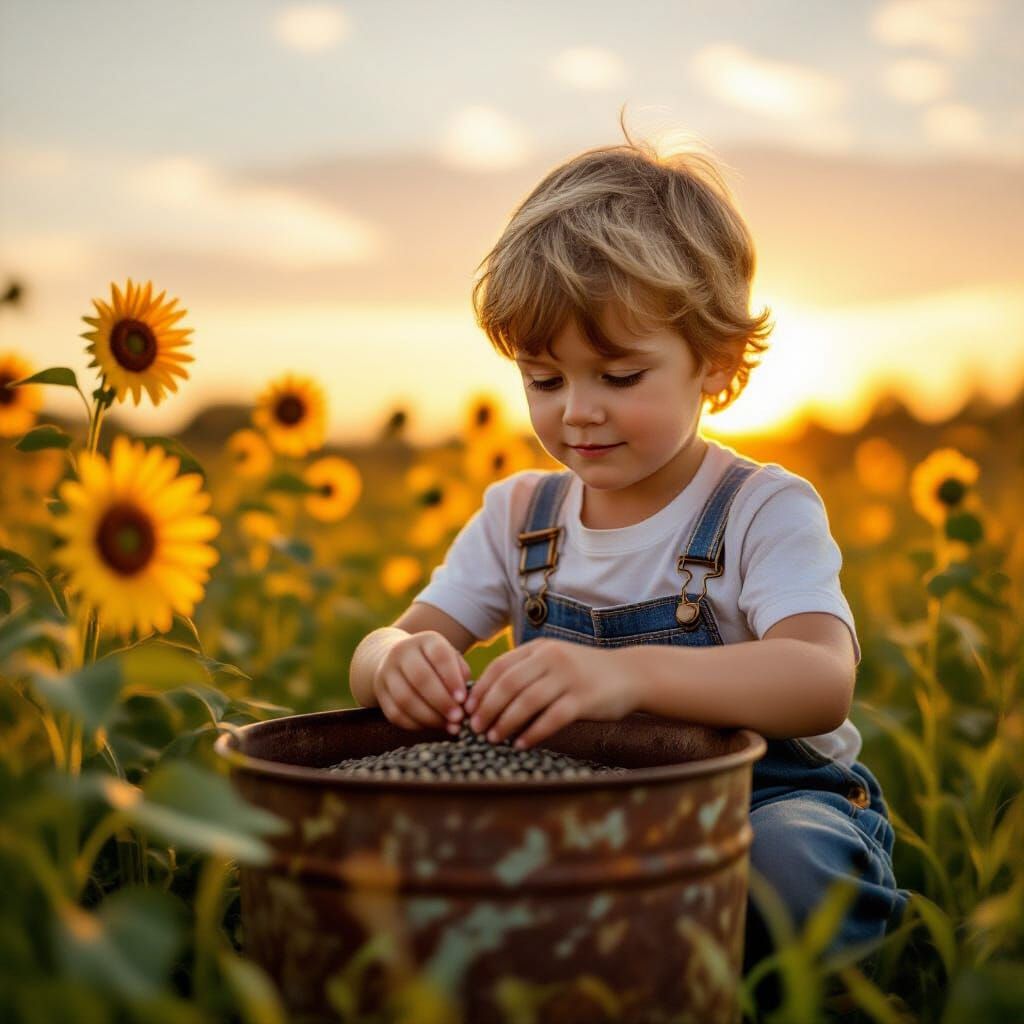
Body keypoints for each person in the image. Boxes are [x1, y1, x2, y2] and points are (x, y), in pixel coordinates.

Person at [347, 123, 909, 984]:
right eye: (544, 378)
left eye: (618, 377)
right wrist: (397, 660)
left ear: (716, 365)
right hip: (570, 815)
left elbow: (817, 677)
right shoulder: (518, 516)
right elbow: (385, 645)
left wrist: (628, 676)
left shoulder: (760, 509)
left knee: (793, 870)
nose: (577, 411)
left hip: (761, 804)